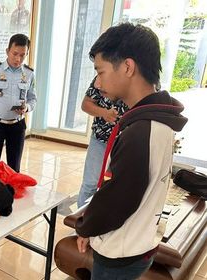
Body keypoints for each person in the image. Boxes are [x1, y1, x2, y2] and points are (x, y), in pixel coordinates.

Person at [75, 23, 187, 280]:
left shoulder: (140, 132)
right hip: (141, 242)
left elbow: (117, 200)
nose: (97, 81)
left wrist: (86, 228)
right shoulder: (159, 120)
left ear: (127, 67)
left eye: (100, 72)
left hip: (121, 252)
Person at [0, 34, 36, 173]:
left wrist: (27, 108)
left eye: (22, 55)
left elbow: (33, 99)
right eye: (15, 54)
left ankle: (10, 194)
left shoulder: (29, 74)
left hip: (17, 126)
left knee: (14, 169)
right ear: (7, 51)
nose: (18, 59)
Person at [76, 78, 128, 207]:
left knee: (119, 187)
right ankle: (81, 224)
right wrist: (104, 113)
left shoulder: (141, 81)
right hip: (100, 139)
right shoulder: (103, 76)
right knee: (90, 183)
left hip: (127, 144)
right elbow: (86, 104)